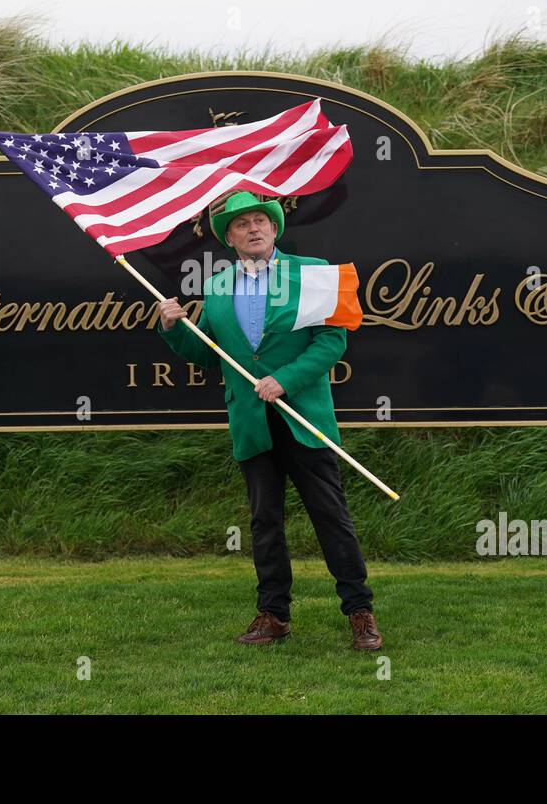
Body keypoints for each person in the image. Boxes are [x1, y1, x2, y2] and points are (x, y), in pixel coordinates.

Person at [156, 190, 382, 650]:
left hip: (304, 418)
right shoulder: (217, 287)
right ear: (230, 238)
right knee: (264, 521)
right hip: (252, 422)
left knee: (330, 517)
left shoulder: (312, 272)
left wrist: (285, 380)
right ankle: (273, 615)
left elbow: (330, 343)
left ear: (275, 228)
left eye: (261, 220)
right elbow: (211, 356)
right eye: (242, 224)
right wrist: (173, 327)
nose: (253, 228)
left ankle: (360, 612)